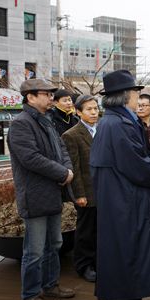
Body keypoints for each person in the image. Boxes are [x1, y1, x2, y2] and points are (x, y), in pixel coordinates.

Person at [90, 70, 150, 300]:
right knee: (130, 264)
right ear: (126, 96)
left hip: (119, 204)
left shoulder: (113, 122)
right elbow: (139, 166)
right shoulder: (118, 125)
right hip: (128, 207)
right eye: (136, 93)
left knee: (120, 263)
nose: (139, 98)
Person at [7, 78, 76, 300]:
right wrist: (62, 172)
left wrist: (67, 170)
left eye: (51, 94)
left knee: (54, 243)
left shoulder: (46, 122)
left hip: (52, 193)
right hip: (35, 195)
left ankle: (50, 285)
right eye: (46, 94)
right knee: (34, 250)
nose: (51, 98)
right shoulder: (21, 124)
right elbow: (31, 159)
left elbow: (62, 150)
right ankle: (30, 294)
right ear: (31, 97)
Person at [61, 95, 99, 283]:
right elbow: (74, 168)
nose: (93, 112)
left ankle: (98, 262)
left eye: (95, 108)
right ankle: (84, 266)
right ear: (78, 112)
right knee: (86, 232)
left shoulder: (103, 130)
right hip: (87, 191)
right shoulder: (72, 135)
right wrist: (79, 194)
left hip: (105, 190)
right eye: (89, 109)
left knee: (101, 229)